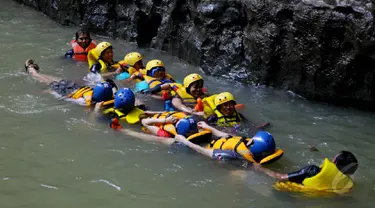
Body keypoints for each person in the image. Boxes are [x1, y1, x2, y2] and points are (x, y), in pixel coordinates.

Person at [137, 113, 282, 164]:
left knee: (165, 141)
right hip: (205, 142)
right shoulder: (244, 145)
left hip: (193, 148)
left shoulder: (233, 154)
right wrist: (210, 128)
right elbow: (228, 137)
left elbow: (202, 151)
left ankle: (125, 132)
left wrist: (184, 141)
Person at [253, 150, 358, 194]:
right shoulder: (348, 186)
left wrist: (260, 168)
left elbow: (278, 177)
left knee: (241, 175)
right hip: (310, 198)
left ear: (334, 162)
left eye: (333, 158)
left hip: (286, 193)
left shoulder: (312, 170)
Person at [25, 59, 116, 107]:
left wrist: (50, 92)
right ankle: (31, 70)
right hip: (71, 90)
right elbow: (69, 98)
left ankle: (32, 69)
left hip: (72, 89)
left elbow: (69, 98)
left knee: (48, 80)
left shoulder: (89, 98)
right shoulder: (85, 101)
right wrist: (52, 92)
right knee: (47, 79)